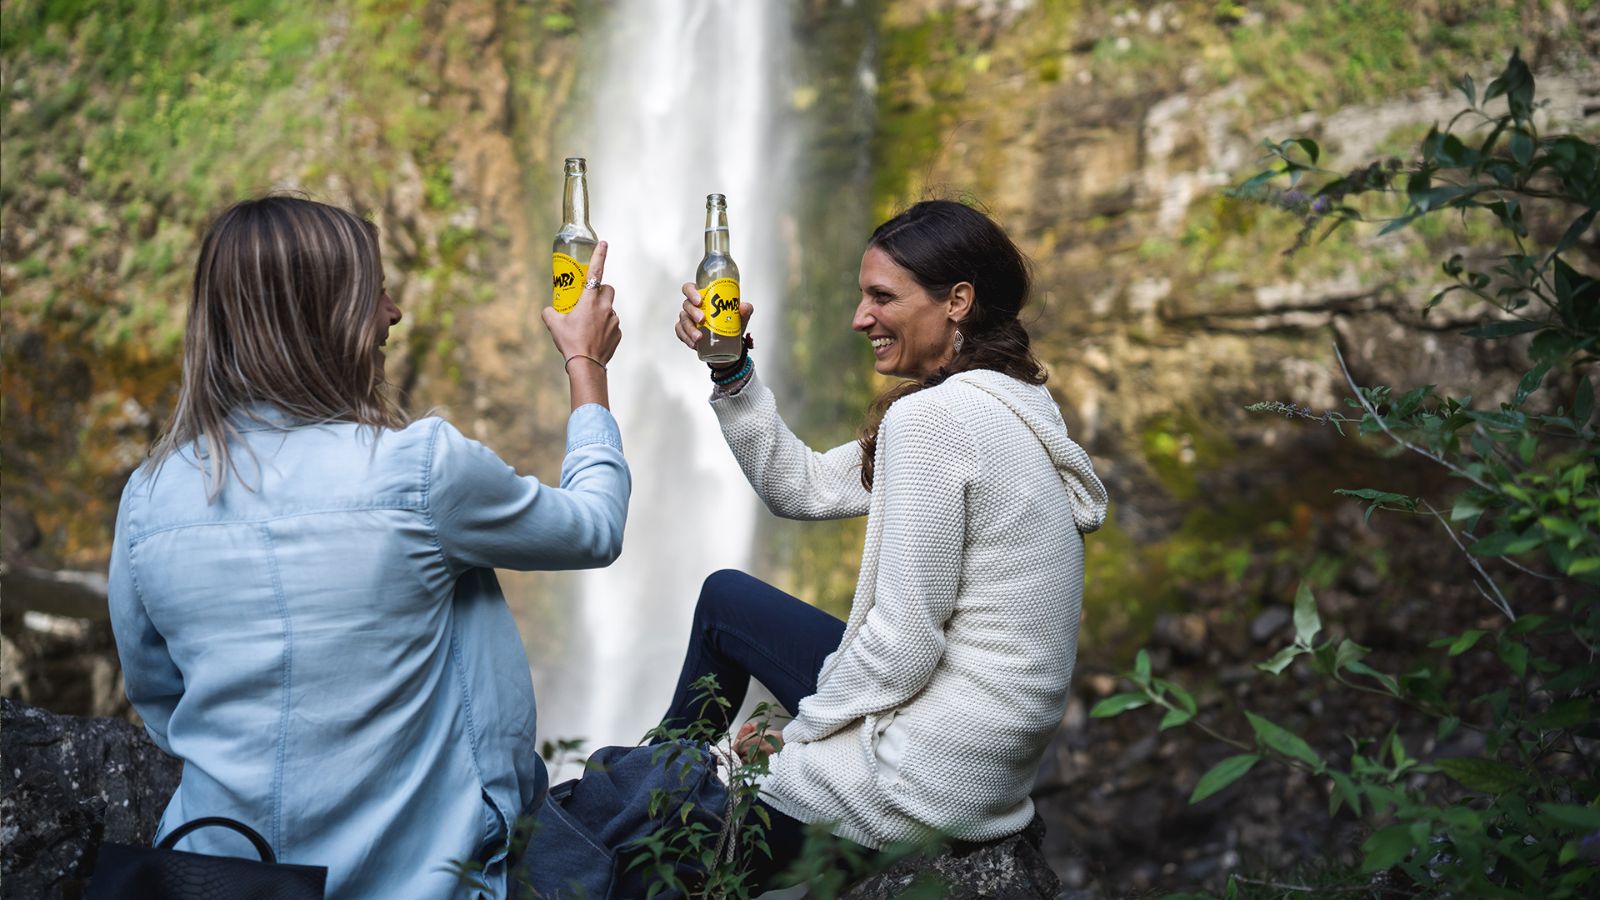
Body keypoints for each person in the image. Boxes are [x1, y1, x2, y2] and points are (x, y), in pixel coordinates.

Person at [106, 195, 630, 899]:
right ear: (323, 316)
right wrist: (585, 362)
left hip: (220, 877)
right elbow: (595, 526)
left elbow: (159, 699)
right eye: (375, 292)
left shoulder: (148, 498)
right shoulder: (419, 471)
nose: (393, 314)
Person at [664, 199, 1109, 886]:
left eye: (881, 297)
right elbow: (804, 487)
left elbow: (902, 645)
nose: (859, 318)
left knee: (662, 850)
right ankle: (665, 775)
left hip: (926, 775)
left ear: (957, 301)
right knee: (727, 601)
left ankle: (662, 793)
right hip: (986, 761)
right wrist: (729, 368)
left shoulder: (934, 422)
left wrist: (789, 744)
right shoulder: (1008, 403)